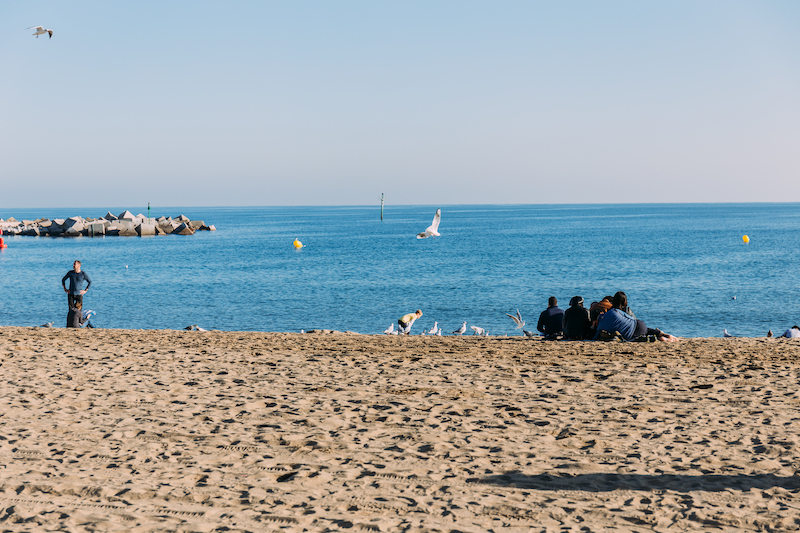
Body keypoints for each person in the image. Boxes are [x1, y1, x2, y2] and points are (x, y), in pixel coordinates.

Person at [594, 291, 678, 342]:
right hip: (638, 323)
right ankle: (664, 334)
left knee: (641, 336)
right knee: (646, 330)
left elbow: (599, 332)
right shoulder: (617, 312)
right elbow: (630, 318)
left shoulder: (604, 319)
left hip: (634, 331)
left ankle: (663, 338)